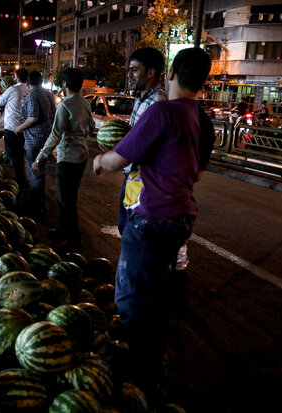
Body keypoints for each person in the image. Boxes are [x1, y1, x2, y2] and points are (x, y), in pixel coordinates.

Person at [92, 48, 215, 402]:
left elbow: (119, 158)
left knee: (130, 300)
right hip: (180, 218)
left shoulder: (162, 111)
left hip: (152, 219)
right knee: (157, 297)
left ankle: (137, 380)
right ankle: (153, 365)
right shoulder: (196, 114)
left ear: (171, 71)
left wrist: (100, 160)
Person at [30, 68, 95, 251]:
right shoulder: (85, 103)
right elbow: (90, 128)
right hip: (82, 155)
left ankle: (74, 240)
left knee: (64, 199)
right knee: (69, 197)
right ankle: (63, 230)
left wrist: (40, 158)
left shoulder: (65, 105)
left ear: (65, 84)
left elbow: (55, 135)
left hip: (68, 158)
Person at [119, 47, 167, 235]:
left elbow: (148, 147)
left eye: (134, 69)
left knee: (132, 230)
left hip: (145, 181)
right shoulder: (140, 99)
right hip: (133, 175)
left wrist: (112, 157)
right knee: (124, 226)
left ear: (151, 73)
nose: (129, 74)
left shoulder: (157, 104)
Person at [14, 71, 57, 218]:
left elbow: (33, 118)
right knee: (41, 170)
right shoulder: (48, 94)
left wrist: (19, 128)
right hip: (46, 138)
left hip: (35, 139)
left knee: (35, 171)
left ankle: (39, 205)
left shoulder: (32, 95)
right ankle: (41, 202)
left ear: (27, 83)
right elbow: (52, 114)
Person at [0, 68, 29, 191]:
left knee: (12, 153)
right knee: (19, 152)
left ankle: (20, 179)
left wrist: (5, 89)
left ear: (18, 77)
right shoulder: (29, 89)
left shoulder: (13, 89)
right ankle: (21, 177)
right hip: (23, 126)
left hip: (11, 126)